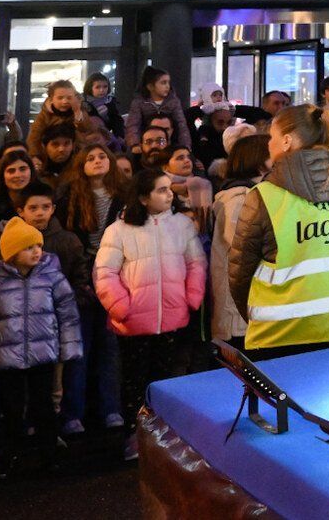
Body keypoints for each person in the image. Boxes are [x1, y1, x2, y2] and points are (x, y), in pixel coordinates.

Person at [228, 105, 329, 359]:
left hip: (279, 333)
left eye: (271, 137)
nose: (268, 144)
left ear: (286, 140)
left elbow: (239, 274)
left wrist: (254, 315)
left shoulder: (264, 195)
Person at [94, 164, 205, 460]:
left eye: (169, 189)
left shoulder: (181, 225)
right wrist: (121, 307)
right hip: (133, 323)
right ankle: (135, 433)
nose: (170, 194)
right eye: (161, 190)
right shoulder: (119, 230)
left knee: (166, 379)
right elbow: (105, 272)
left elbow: (196, 264)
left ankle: (164, 433)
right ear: (143, 198)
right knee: (134, 380)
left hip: (172, 318)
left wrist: (190, 298)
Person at [0, 217, 82, 471]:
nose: (36, 251)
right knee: (12, 408)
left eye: (38, 246)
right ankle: (13, 455)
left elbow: (68, 313)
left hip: (43, 353)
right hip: (9, 356)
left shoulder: (53, 277)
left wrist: (68, 346)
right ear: (11, 253)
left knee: (44, 406)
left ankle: (49, 454)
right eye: (28, 247)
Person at [56, 144, 124, 430]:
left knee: (109, 348)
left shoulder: (123, 195)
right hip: (82, 278)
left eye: (101, 157)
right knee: (79, 347)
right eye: (90, 158)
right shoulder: (70, 197)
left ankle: (109, 408)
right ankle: (73, 413)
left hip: (115, 276)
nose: (97, 161)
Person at [15, 185, 88, 436]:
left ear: (53, 209)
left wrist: (69, 305)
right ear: (20, 211)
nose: (39, 213)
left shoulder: (67, 240)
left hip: (55, 325)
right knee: (26, 382)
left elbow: (80, 278)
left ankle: (54, 428)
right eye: (33, 208)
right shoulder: (11, 244)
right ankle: (30, 426)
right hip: (22, 328)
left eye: (45, 207)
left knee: (56, 381)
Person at [208, 132, 269, 348]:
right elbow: (242, 243)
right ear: (259, 161)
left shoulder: (254, 193)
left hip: (251, 304)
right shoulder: (239, 197)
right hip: (238, 310)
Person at [125, 67, 191, 152]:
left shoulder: (173, 102)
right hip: (146, 142)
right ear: (150, 87)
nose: (167, 86)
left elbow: (181, 124)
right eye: (163, 83)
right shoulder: (139, 102)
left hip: (170, 142)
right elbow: (133, 125)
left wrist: (185, 146)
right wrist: (134, 144)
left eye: (168, 82)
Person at [0, 145, 38, 235]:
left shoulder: (43, 201)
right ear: (2, 175)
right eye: (11, 171)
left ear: (31, 172)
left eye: (23, 169)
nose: (17, 175)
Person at [154, 145, 214, 235]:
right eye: (180, 158)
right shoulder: (159, 190)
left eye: (188, 157)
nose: (187, 160)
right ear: (165, 167)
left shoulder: (204, 185)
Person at [190, 101, 238, 178]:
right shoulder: (200, 138)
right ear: (210, 121)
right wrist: (198, 109)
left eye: (229, 122)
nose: (225, 127)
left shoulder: (233, 139)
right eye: (220, 122)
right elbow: (187, 119)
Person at [80, 75, 122, 148]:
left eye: (105, 87)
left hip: (106, 136)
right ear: (90, 88)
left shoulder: (110, 101)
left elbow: (117, 120)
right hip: (88, 137)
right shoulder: (83, 102)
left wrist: (119, 135)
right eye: (98, 87)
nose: (102, 90)